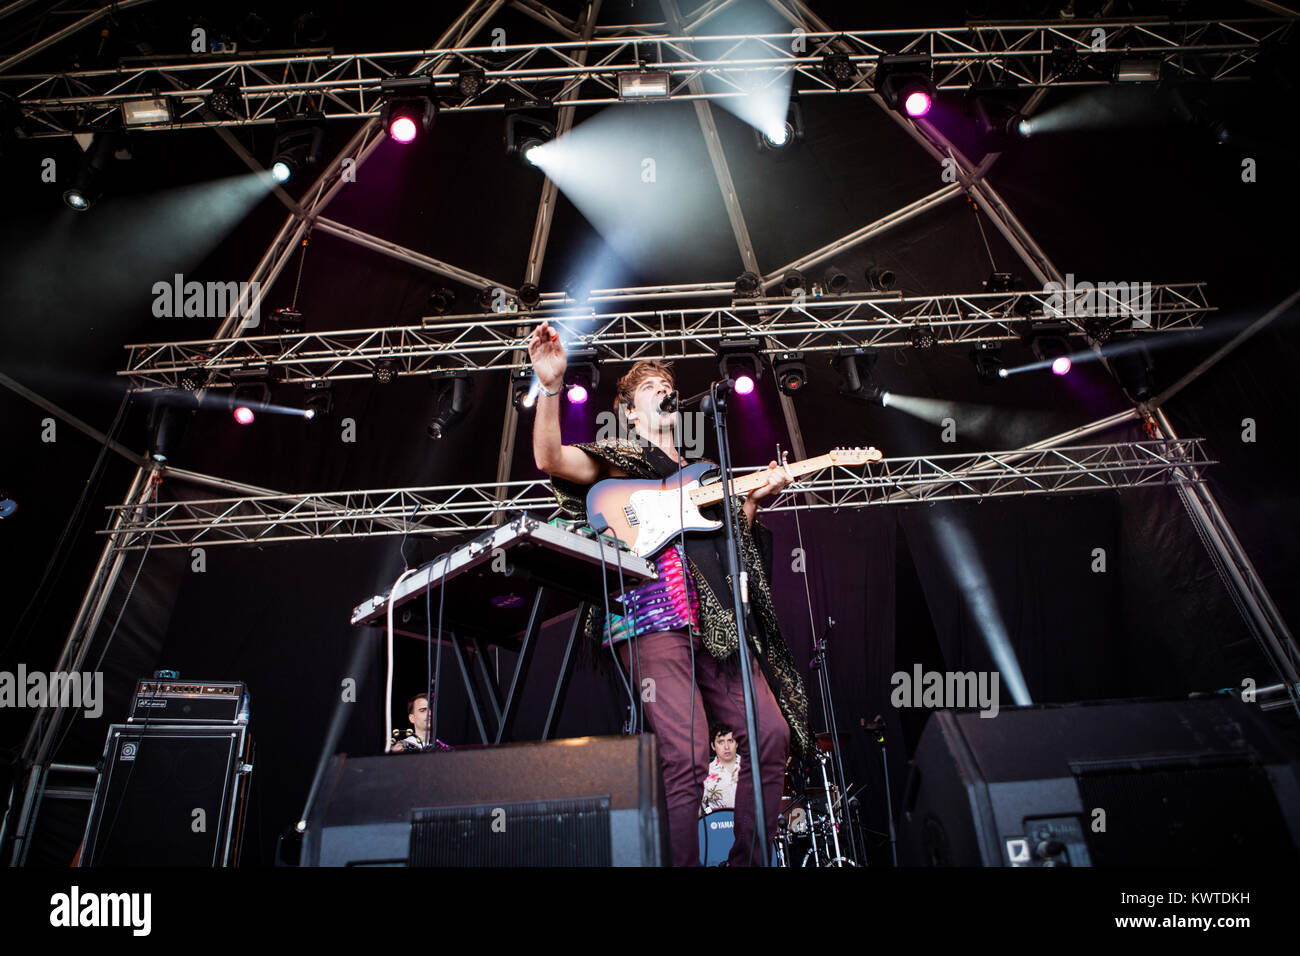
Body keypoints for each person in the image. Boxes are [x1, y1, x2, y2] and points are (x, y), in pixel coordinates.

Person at [528, 319, 813, 866]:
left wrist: (755, 499)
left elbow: (730, 546)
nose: (662, 388)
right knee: (684, 754)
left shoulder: (707, 470)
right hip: (654, 616)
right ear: (630, 412)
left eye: (666, 383)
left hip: (721, 625)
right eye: (648, 386)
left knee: (772, 734)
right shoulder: (620, 461)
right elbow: (549, 459)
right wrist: (550, 386)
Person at [701, 723, 740, 813]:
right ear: (713, 746)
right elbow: (699, 811)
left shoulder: (750, 768)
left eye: (730, 741)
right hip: (717, 824)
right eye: (721, 742)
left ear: (737, 743)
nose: (726, 747)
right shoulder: (705, 773)